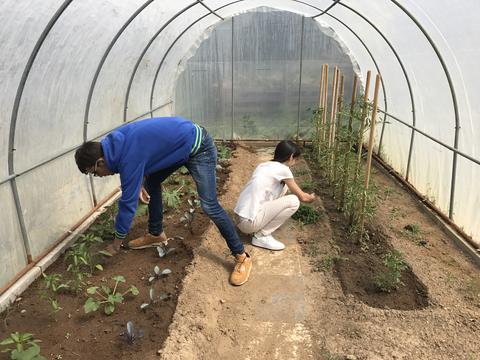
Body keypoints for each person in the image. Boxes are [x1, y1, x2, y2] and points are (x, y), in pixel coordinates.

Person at [74, 117, 251, 286]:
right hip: (179, 145)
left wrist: (116, 243)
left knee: (209, 205)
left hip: (199, 146)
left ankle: (241, 256)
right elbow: (147, 152)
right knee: (150, 183)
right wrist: (140, 183)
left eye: (95, 173)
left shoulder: (127, 156)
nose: (98, 176)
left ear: (100, 162)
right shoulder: (115, 144)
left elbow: (127, 204)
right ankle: (156, 234)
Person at [234, 140, 315, 250]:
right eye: (295, 159)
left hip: (240, 219)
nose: (295, 162)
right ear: (291, 157)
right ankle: (261, 236)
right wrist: (312, 197)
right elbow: (303, 197)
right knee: (294, 201)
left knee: (284, 186)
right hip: (248, 224)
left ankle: (258, 228)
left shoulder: (264, 165)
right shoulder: (283, 170)